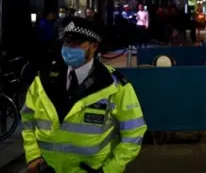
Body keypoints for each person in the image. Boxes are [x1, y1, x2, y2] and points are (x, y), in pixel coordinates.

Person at [21, 17, 147, 173]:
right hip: (46, 169)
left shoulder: (114, 86)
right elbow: (27, 120)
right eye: (66, 43)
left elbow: (134, 132)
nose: (69, 48)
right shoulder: (43, 80)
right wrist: (33, 156)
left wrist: (110, 169)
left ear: (93, 47)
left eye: (76, 43)